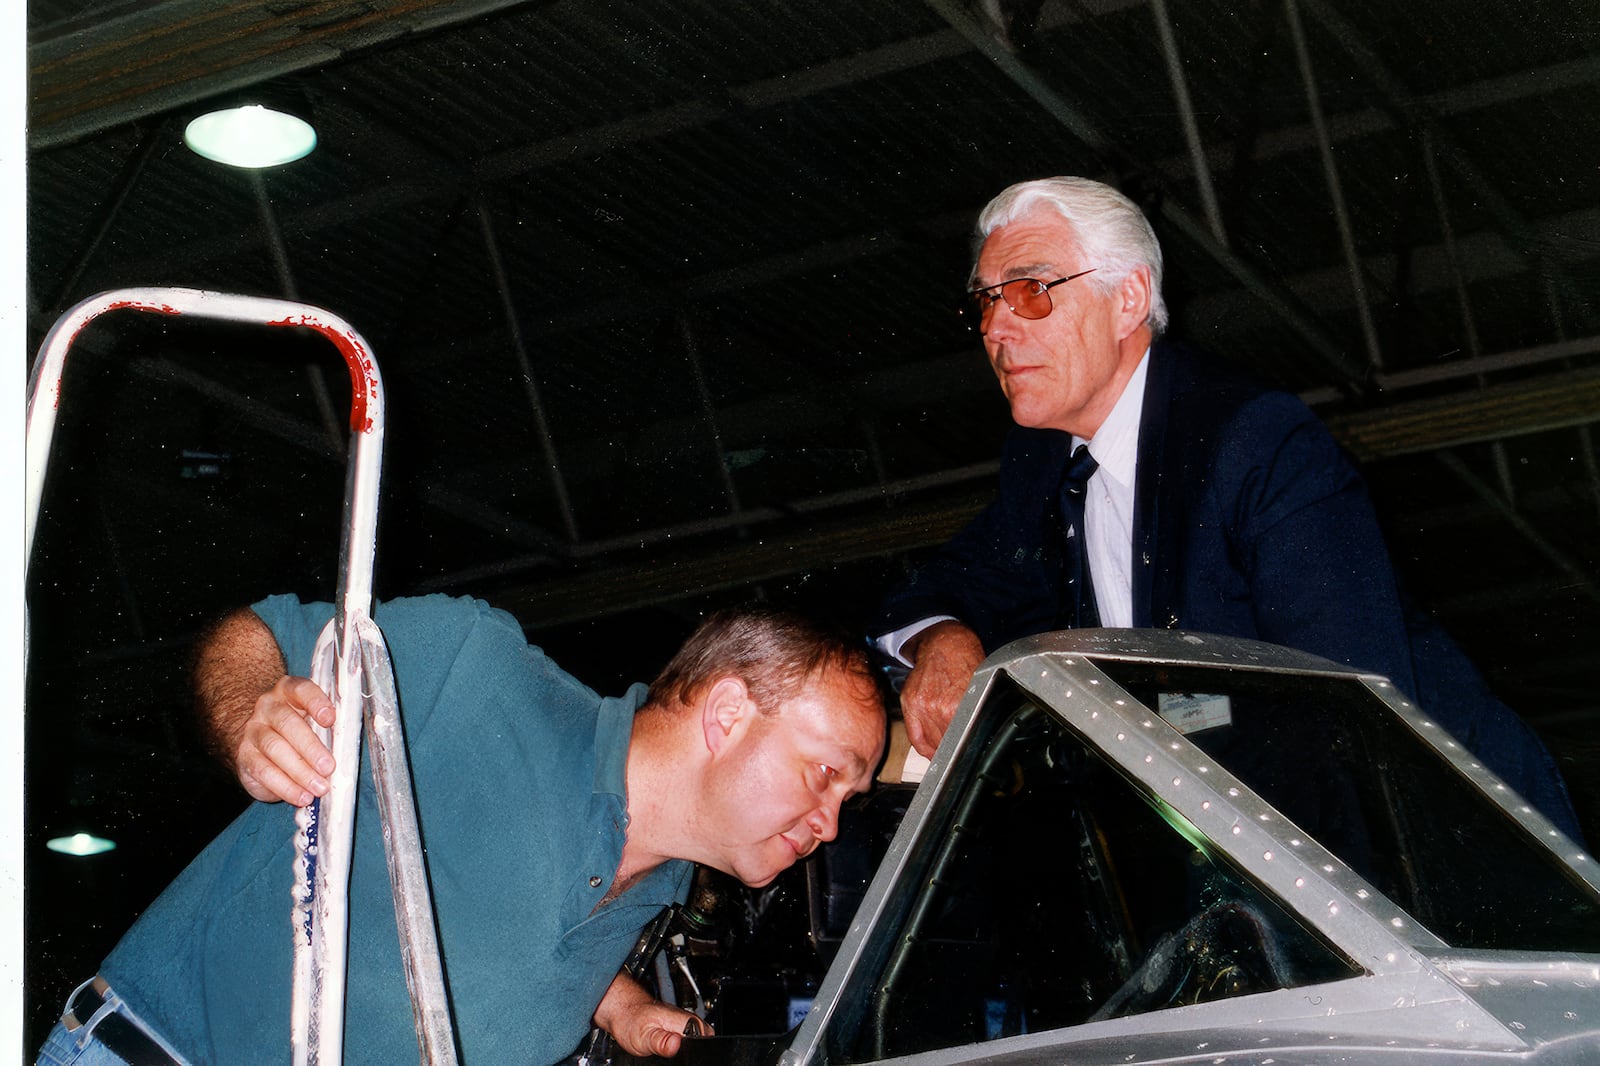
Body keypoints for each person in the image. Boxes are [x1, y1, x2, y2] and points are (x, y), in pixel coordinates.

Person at [873, 175, 1580, 837]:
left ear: (1128, 299)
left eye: (1029, 291)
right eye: (986, 301)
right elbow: (939, 588)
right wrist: (942, 641)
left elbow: (1345, 709)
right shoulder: (1044, 463)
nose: (997, 328)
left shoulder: (1254, 441)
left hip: (1450, 833)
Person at [38, 594, 886, 1065]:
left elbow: (503, 929)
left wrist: (620, 1006)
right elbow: (252, 632)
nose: (829, 822)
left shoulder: (660, 887)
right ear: (729, 712)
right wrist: (252, 716)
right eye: (826, 773)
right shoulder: (473, 670)